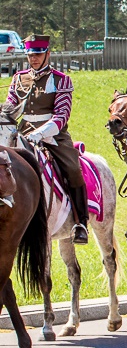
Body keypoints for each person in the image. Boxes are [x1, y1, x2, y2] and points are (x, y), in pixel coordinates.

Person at [6, 35, 88, 244]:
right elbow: (10, 107)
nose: (34, 59)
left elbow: (62, 114)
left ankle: (81, 222)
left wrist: (40, 133)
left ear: (47, 54)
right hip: (22, 132)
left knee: (73, 168)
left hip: (54, 135)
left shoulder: (61, 79)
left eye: (38, 54)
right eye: (31, 55)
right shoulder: (18, 78)